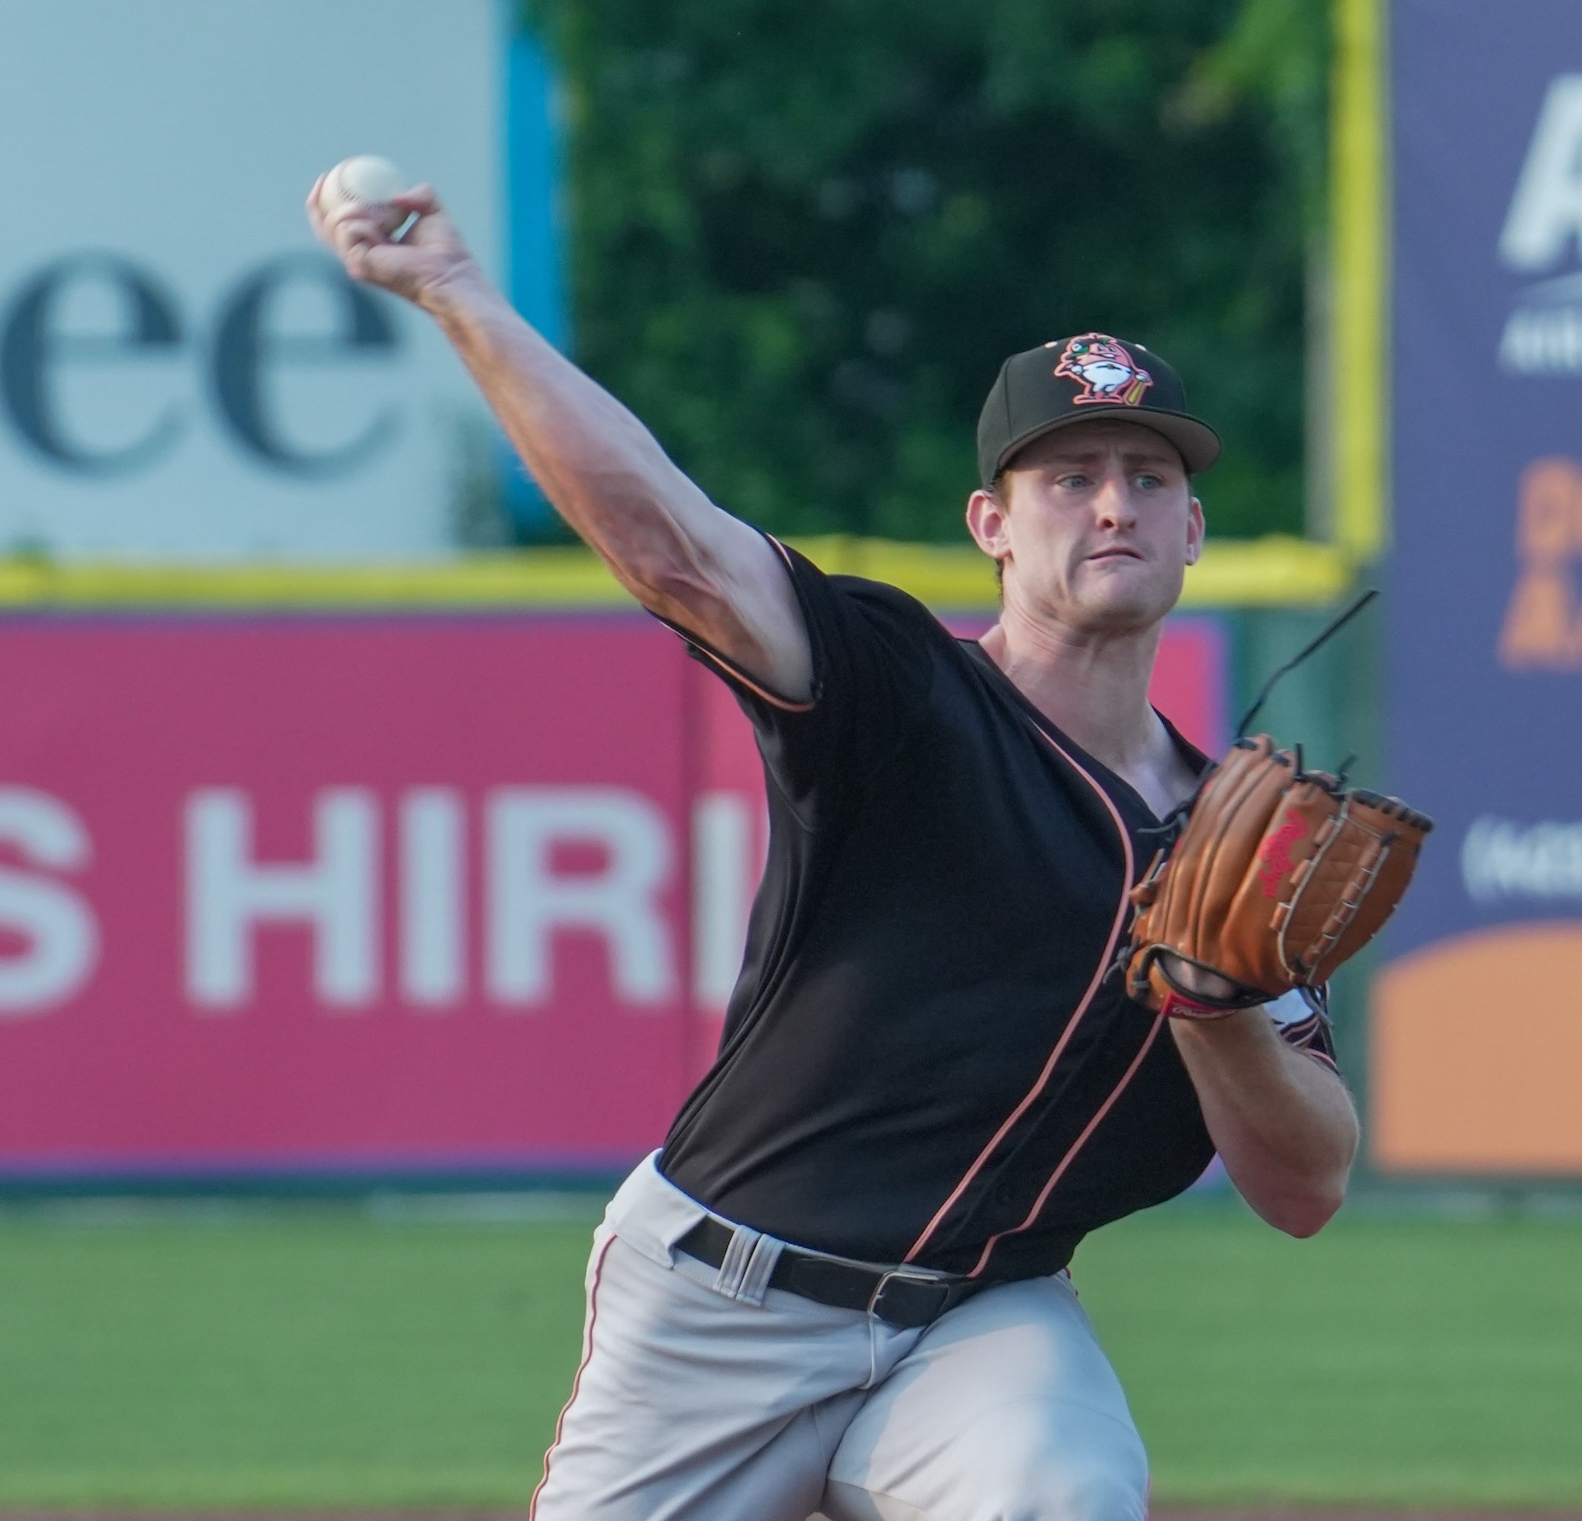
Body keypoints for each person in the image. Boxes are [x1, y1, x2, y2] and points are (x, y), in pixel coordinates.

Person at [309, 176, 1358, 1521]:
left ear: (1193, 528)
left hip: (985, 1320)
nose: (1113, 505)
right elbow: (677, 550)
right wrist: (461, 299)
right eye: (1069, 475)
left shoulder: (1235, 854)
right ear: (992, 525)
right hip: (720, 1304)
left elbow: (1308, 1182)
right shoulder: (898, 692)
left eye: (1149, 477)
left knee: (1058, 1492)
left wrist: (1215, 1017)